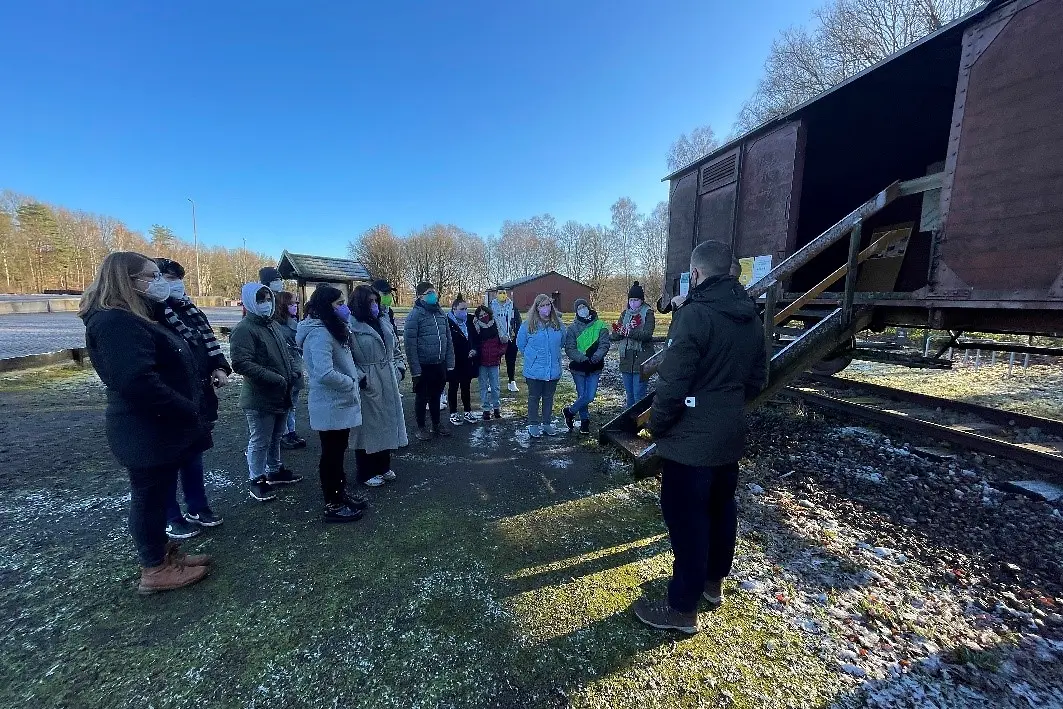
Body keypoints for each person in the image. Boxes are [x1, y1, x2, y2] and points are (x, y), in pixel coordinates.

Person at [632, 241, 768, 634]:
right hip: (728, 435)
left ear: (695, 274)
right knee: (721, 510)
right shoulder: (750, 315)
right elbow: (757, 379)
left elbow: (673, 381)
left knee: (687, 520)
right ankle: (712, 584)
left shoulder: (694, 315)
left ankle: (681, 609)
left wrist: (657, 424)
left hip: (692, 441)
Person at [79, 252, 210, 594]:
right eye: (152, 276)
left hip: (161, 427)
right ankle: (154, 568)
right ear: (127, 281)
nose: (160, 283)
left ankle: (163, 555)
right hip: (146, 429)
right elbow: (138, 381)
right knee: (149, 498)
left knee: (158, 491)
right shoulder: (115, 323)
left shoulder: (139, 317)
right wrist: (185, 408)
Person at [153, 258, 232, 540]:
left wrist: (220, 367)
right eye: (167, 277)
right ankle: (171, 515)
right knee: (168, 460)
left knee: (193, 455)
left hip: (199, 396)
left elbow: (208, 343)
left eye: (178, 278)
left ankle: (198, 506)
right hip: (171, 397)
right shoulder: (151, 314)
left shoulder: (191, 311)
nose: (175, 283)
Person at [295, 287, 368, 522]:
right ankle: (332, 503)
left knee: (338, 452)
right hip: (331, 403)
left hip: (340, 403)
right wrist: (350, 382)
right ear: (327, 306)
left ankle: (340, 492)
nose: (344, 307)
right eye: (339, 303)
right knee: (331, 455)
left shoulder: (331, 329)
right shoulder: (319, 334)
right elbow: (324, 373)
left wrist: (353, 378)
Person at [230, 282, 304, 503]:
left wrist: (293, 371)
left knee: (276, 436)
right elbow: (241, 363)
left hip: (281, 392)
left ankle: (275, 469)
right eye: (261, 300)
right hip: (260, 396)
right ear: (251, 302)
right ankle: (256, 479)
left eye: (268, 299)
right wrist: (275, 378)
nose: (266, 304)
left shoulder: (271, 325)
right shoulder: (244, 329)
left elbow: (286, 353)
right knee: (260, 439)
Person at [348, 285, 409, 487]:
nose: (374, 305)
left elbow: (395, 348)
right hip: (369, 378)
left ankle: (383, 465)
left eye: (376, 301)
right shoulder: (351, 326)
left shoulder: (383, 321)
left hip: (388, 377)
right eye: (370, 302)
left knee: (387, 421)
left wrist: (400, 368)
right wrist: (361, 377)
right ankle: (365, 471)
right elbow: (346, 358)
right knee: (368, 427)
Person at [404, 281, 455, 440]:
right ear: (420, 296)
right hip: (423, 365)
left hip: (439, 364)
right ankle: (421, 427)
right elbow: (410, 344)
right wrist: (415, 370)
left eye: (434, 292)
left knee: (436, 396)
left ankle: (436, 424)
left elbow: (448, 339)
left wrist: (450, 362)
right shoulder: (415, 315)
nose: (434, 295)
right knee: (422, 397)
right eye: (429, 293)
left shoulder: (440, 313)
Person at [516, 294, 565, 438]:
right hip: (534, 370)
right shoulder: (528, 325)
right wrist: (533, 357)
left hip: (552, 368)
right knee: (534, 397)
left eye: (548, 305)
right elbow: (521, 344)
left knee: (548, 397)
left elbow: (563, 342)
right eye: (542, 306)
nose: (546, 308)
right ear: (536, 308)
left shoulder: (558, 324)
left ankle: (547, 423)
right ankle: (533, 424)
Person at [562, 298, 610, 435]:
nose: (582, 310)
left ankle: (569, 411)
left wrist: (596, 357)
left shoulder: (600, 325)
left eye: (584, 307)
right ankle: (584, 421)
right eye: (579, 308)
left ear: (588, 307)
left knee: (589, 396)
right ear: (576, 312)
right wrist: (582, 358)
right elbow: (570, 349)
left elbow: (604, 344)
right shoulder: (572, 328)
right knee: (582, 395)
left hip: (595, 366)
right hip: (579, 367)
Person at [612, 281, 657, 409]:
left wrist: (629, 332)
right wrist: (618, 331)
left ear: (641, 300)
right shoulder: (625, 314)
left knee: (639, 395)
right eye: (631, 300)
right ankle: (630, 422)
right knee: (630, 395)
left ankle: (641, 423)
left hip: (642, 358)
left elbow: (647, 334)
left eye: (636, 299)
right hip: (626, 359)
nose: (633, 303)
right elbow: (617, 334)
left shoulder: (648, 313)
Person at [273, 291, 307, 450]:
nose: (295, 306)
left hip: (296, 368)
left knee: (292, 403)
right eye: (292, 304)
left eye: (296, 303)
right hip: (287, 369)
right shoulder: (280, 327)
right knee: (286, 403)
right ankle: (285, 434)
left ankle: (290, 431)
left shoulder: (291, 323)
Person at [445, 294, 480, 425]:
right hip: (454, 360)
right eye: (462, 309)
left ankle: (467, 411)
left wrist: (474, 350)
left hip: (467, 360)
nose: (465, 312)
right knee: (453, 387)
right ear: (454, 309)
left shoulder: (470, 321)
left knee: (466, 386)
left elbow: (476, 339)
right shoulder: (447, 322)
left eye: (466, 309)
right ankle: (453, 413)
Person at [473, 304, 505, 420]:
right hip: (482, 361)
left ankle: (496, 407)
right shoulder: (476, 327)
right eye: (481, 315)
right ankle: (486, 409)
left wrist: (500, 351)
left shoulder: (496, 324)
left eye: (485, 314)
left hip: (494, 360)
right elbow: (474, 343)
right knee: (483, 387)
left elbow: (503, 340)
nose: (484, 316)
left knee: (495, 386)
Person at [491, 288, 522, 392]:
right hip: (496, 338)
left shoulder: (512, 306)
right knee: (495, 361)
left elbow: (518, 321)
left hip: (510, 338)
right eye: (500, 293)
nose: (502, 295)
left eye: (504, 293)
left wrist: (516, 334)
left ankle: (511, 382)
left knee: (511, 360)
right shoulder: (491, 306)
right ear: (496, 294)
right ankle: (493, 383)